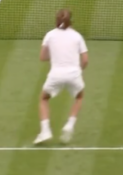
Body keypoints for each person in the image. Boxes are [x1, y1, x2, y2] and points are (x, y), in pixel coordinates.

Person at [34, 9, 88, 144]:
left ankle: (45, 131)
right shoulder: (77, 36)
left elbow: (42, 57)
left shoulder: (49, 35)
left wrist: (57, 53)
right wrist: (78, 70)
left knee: (43, 99)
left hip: (55, 75)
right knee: (79, 97)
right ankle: (69, 125)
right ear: (71, 21)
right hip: (74, 74)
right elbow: (85, 60)